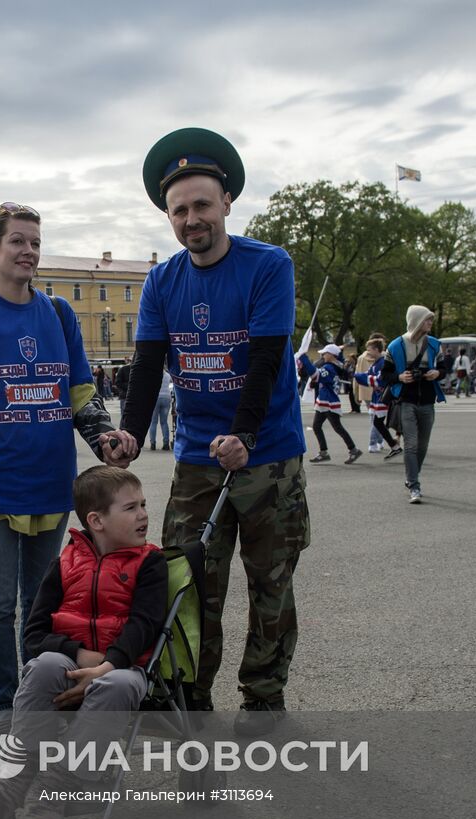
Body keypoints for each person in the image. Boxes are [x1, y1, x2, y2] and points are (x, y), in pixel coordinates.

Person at [121, 128, 309, 730]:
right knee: (188, 583)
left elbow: (266, 361)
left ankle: (264, 696)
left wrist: (245, 436)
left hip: (268, 455)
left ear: (227, 202)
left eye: (202, 205)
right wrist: (129, 433)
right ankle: (190, 695)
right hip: (198, 460)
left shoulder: (268, 265)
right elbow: (148, 365)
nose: (191, 219)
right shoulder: (162, 281)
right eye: (179, 210)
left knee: (269, 583)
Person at [0, 201, 135, 729]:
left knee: (42, 608)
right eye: (17, 241)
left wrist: (105, 440)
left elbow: (81, 393)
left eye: (36, 242)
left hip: (51, 486)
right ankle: (4, 710)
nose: (28, 251)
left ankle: (38, 701)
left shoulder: (60, 313)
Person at [0, 465, 165, 819]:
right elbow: (35, 634)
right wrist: (81, 656)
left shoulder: (150, 563)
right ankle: (12, 779)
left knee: (117, 685)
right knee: (43, 666)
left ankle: (56, 786)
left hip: (124, 664)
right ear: (96, 521)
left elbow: (145, 624)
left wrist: (107, 665)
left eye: (144, 505)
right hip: (73, 664)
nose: (143, 515)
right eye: (131, 507)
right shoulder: (65, 563)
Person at [383, 305, 444, 503]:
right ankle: (414, 485)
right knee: (411, 444)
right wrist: (400, 377)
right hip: (406, 401)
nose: (430, 323)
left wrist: (437, 373)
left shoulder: (434, 344)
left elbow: (444, 367)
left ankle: (412, 477)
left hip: (428, 401)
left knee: (423, 445)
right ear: (416, 321)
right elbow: (385, 374)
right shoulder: (396, 346)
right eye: (427, 319)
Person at [308, 344, 362, 464]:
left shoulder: (328, 367)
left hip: (328, 401)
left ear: (331, 355)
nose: (323, 355)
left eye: (325, 353)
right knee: (318, 426)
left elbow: (316, 374)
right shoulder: (337, 365)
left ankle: (353, 450)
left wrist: (303, 358)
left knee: (336, 427)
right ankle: (324, 452)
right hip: (326, 400)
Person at [353, 339, 401, 458]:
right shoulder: (377, 362)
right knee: (378, 422)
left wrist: (357, 376)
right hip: (378, 397)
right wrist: (357, 375)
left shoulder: (383, 363)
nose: (367, 352)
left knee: (378, 422)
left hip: (383, 397)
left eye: (369, 350)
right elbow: (368, 375)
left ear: (376, 349)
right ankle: (393, 445)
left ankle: (392, 445)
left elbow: (379, 380)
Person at [148, 366, 173, 451]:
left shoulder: (152, 374)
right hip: (166, 398)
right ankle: (166, 443)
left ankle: (153, 443)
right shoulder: (167, 375)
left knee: (153, 422)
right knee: (164, 422)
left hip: (155, 398)